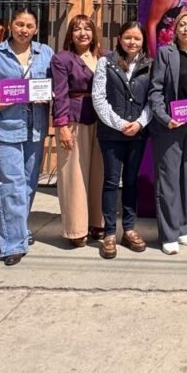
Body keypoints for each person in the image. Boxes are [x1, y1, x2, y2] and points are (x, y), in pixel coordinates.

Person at [0, 8, 54, 266]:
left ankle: (15, 229)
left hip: (35, 127)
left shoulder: (45, 53)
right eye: (19, 24)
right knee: (9, 184)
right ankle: (12, 243)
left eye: (29, 26)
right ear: (10, 25)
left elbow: (55, 83)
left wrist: (50, 95)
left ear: (36, 28)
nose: (24, 30)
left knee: (28, 183)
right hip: (6, 125)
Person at [147, 10, 187, 255]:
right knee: (168, 180)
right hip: (171, 127)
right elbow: (155, 91)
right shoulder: (166, 53)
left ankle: (183, 227)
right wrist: (165, 118)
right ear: (175, 29)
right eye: (182, 25)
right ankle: (168, 234)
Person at [92, 22, 152, 258]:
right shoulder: (105, 62)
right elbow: (99, 98)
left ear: (143, 41)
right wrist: (119, 124)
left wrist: (139, 123)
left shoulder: (150, 65)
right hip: (111, 134)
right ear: (119, 39)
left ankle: (129, 229)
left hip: (137, 133)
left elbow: (152, 99)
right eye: (128, 37)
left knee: (131, 181)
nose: (132, 42)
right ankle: (109, 233)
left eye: (137, 38)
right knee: (111, 181)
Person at [50, 14, 104, 248]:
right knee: (74, 175)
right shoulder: (62, 59)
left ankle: (97, 222)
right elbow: (60, 93)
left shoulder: (104, 57)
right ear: (70, 35)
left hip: (101, 120)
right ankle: (76, 228)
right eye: (77, 29)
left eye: (87, 28)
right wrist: (61, 126)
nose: (83, 33)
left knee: (99, 173)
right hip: (73, 119)